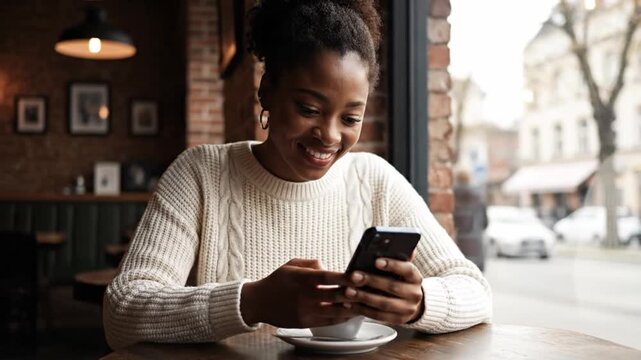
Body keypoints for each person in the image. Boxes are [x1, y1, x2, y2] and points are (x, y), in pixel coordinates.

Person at [103, 0, 492, 349]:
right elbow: (122, 310)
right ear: (266, 91)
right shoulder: (201, 174)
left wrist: (421, 301)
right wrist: (250, 301)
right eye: (309, 109)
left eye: (351, 117)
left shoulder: (375, 180)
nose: (330, 135)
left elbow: (475, 289)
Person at [453, 169, 489, 271]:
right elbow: (485, 223)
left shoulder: (452, 195)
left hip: (458, 243)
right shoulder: (479, 197)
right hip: (476, 244)